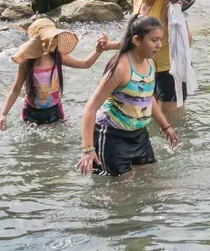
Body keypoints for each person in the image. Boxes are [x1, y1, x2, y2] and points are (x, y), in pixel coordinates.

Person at [75, 12, 179, 177]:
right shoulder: (121, 68)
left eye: (160, 39)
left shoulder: (150, 62)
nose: (159, 45)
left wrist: (165, 125)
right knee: (116, 191)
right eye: (154, 40)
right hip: (111, 136)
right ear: (137, 40)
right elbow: (91, 107)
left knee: (149, 180)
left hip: (139, 135)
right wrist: (88, 149)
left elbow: (146, 97)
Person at [0, 19, 110, 131]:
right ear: (38, 42)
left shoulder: (58, 57)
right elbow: (16, 90)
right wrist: (3, 114)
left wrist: (98, 50)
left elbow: (85, 64)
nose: (55, 41)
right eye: (51, 38)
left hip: (55, 110)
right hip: (31, 112)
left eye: (56, 37)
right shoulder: (27, 63)